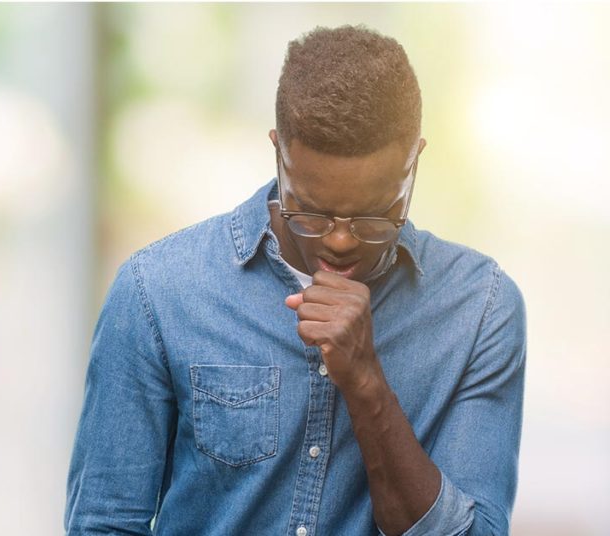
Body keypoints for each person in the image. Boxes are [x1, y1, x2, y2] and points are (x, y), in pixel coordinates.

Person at [64, 25, 526, 536]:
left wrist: (366, 382)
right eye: (311, 211)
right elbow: (104, 525)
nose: (342, 241)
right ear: (278, 153)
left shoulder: (479, 309)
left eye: (375, 215)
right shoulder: (158, 293)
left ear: (414, 163)